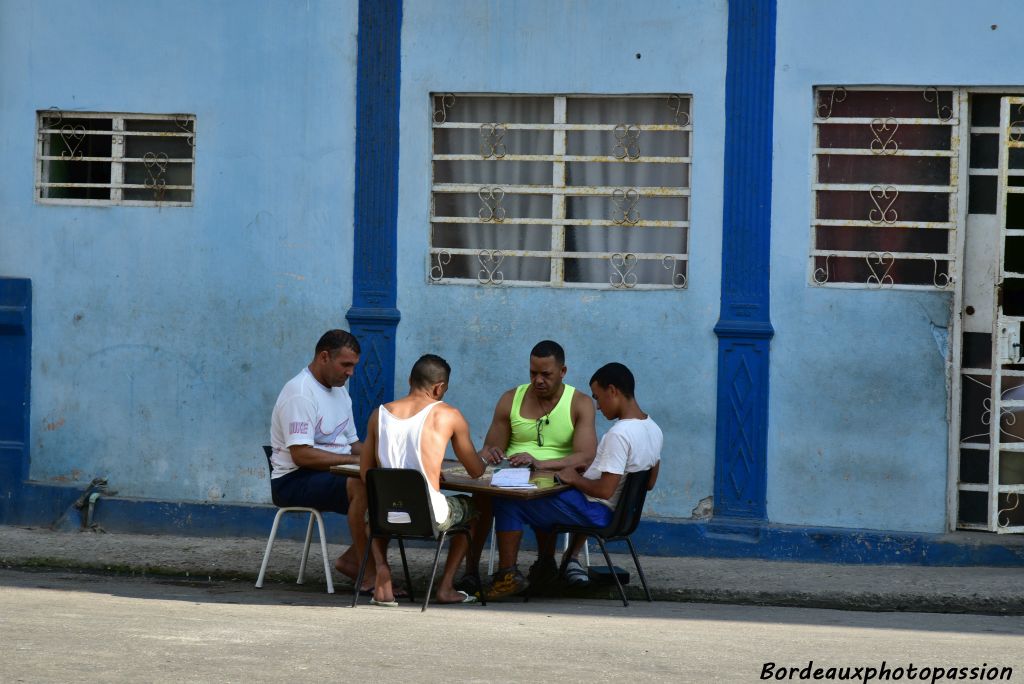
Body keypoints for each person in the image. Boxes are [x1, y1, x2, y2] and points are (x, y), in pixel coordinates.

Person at [487, 361, 663, 599]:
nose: (598, 407)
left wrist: (572, 477)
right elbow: (648, 483)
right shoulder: (653, 429)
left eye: (598, 398)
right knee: (541, 499)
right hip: (623, 516)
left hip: (598, 513)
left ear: (613, 391)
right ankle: (544, 568)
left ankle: (507, 576)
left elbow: (604, 491)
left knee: (509, 500)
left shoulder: (619, 434)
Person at [460, 340, 597, 595]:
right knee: (480, 497)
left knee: (534, 494)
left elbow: (586, 457)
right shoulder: (511, 399)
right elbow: (490, 448)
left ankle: (537, 564)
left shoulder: (579, 403)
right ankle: (470, 573)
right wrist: (490, 452)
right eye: (533, 373)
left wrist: (541, 464)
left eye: (546, 374)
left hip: (553, 480)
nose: (538, 380)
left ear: (563, 372)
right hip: (511, 478)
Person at [359, 354, 486, 605]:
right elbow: (475, 471)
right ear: (439, 388)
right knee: (474, 510)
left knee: (373, 511)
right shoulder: (448, 415)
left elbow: (366, 472)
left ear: (410, 380)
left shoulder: (379, 414)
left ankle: (382, 568)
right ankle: (446, 586)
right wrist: (484, 457)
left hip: (382, 517)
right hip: (428, 516)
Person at [269, 329, 375, 590]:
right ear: (324, 357)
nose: (351, 373)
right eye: (345, 365)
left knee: (391, 486)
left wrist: (384, 459)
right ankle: (370, 572)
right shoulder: (300, 393)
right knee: (361, 484)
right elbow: (301, 454)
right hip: (294, 480)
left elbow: (354, 445)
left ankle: (352, 562)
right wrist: (352, 463)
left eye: (354, 366)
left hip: (334, 473)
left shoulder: (341, 393)